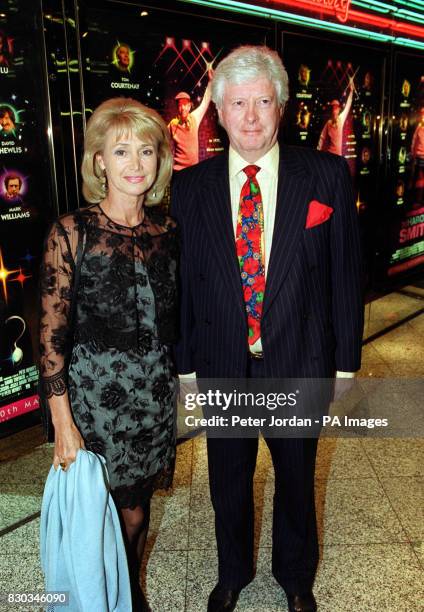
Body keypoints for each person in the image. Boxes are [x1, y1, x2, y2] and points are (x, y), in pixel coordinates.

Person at [172, 45, 363, 612]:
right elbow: (182, 288)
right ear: (220, 111)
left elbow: (347, 275)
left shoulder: (326, 175)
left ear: (280, 105)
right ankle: (233, 572)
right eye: (237, 103)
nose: (250, 116)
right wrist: (185, 369)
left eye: (261, 101)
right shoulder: (190, 189)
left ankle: (295, 576)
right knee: (227, 478)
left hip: (300, 359)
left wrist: (346, 364)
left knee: (297, 479)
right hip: (222, 362)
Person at [39, 97, 178, 611]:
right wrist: (62, 421)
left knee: (137, 512)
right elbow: (51, 337)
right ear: (99, 160)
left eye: (146, 151)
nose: (135, 164)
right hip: (95, 404)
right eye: (121, 151)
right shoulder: (71, 232)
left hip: (153, 402)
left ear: (160, 160)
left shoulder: (168, 232)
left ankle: (129, 592)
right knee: (98, 514)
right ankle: (100, 597)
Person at [167, 72, 212, 170]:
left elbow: (205, 101)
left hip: (194, 170)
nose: (183, 108)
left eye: (185, 105)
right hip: (179, 171)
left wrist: (211, 82)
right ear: (177, 107)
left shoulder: (194, 118)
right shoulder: (173, 124)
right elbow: (160, 138)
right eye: (180, 105)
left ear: (189, 106)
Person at [317, 78, 354, 156]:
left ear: (338, 110)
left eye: (336, 108)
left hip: (338, 155)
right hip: (330, 154)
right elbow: (322, 137)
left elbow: (348, 104)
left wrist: (351, 90)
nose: (334, 110)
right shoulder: (329, 123)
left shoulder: (341, 118)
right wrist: (318, 151)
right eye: (333, 108)